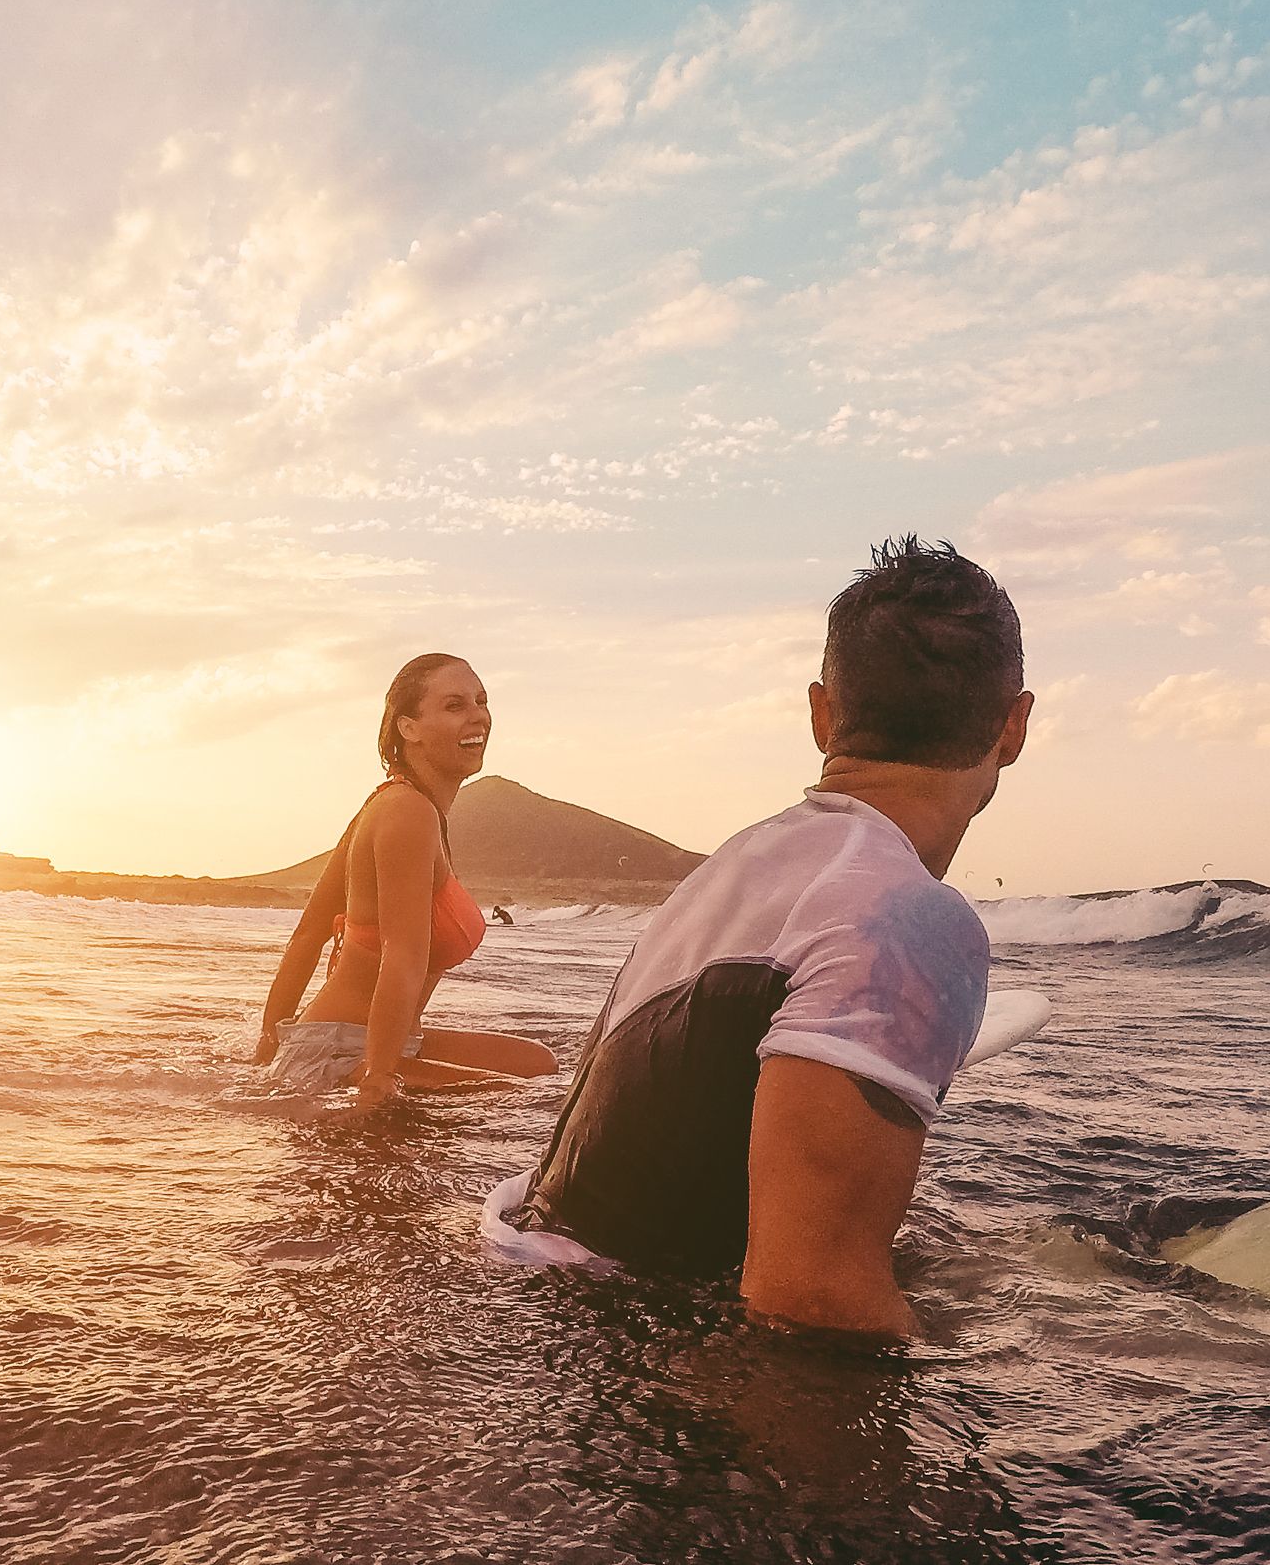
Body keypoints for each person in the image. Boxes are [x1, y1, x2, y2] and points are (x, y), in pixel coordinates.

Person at [492, 538, 1031, 1338]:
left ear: (821, 715)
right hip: (642, 1388)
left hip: (544, 1316)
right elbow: (810, 1301)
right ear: (1014, 727)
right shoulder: (905, 916)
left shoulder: (736, 868)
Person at [251, 654, 557, 1106]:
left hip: (362, 1042)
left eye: (481, 701)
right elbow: (402, 956)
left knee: (538, 1065)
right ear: (408, 727)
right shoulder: (407, 812)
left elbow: (310, 931)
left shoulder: (397, 806)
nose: (477, 715)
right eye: (454, 705)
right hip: (344, 1050)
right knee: (521, 1099)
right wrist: (379, 1080)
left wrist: (269, 1048)